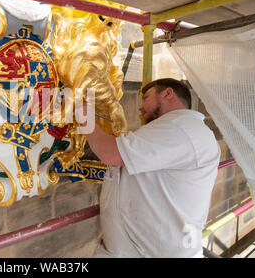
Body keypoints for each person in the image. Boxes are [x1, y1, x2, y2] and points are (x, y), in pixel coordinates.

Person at [81, 78, 221, 258]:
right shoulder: (181, 129)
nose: (140, 107)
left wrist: (83, 114)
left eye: (146, 97)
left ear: (168, 93)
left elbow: (111, 153)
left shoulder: (179, 128)